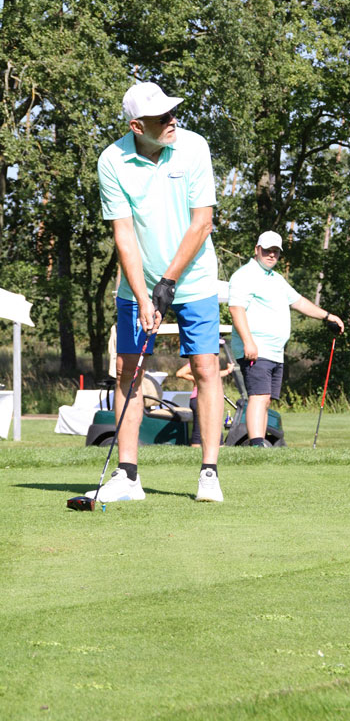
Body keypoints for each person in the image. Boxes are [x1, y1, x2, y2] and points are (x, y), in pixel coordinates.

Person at [85, 81, 224, 503]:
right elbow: (124, 234)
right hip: (138, 283)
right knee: (128, 369)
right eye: (162, 117)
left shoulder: (194, 146)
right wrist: (145, 295)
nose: (172, 120)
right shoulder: (112, 160)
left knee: (205, 367)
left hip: (195, 279)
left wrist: (168, 282)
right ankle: (128, 476)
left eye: (172, 112)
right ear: (136, 126)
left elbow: (202, 222)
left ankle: (209, 473)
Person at [228, 231, 344, 446]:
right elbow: (236, 309)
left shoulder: (276, 279)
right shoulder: (244, 275)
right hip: (256, 348)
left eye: (276, 251)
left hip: (274, 351)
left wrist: (327, 316)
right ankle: (256, 445)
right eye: (267, 250)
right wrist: (248, 342)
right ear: (257, 249)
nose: (271, 255)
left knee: (265, 400)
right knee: (258, 397)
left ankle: (259, 443)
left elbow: (298, 302)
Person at [176, 359, 234, 447]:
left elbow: (214, 375)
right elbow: (180, 373)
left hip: (205, 398)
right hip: (200, 398)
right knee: (202, 429)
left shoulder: (205, 362)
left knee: (210, 427)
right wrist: (195, 379)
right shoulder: (199, 361)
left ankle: (218, 448)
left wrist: (228, 371)